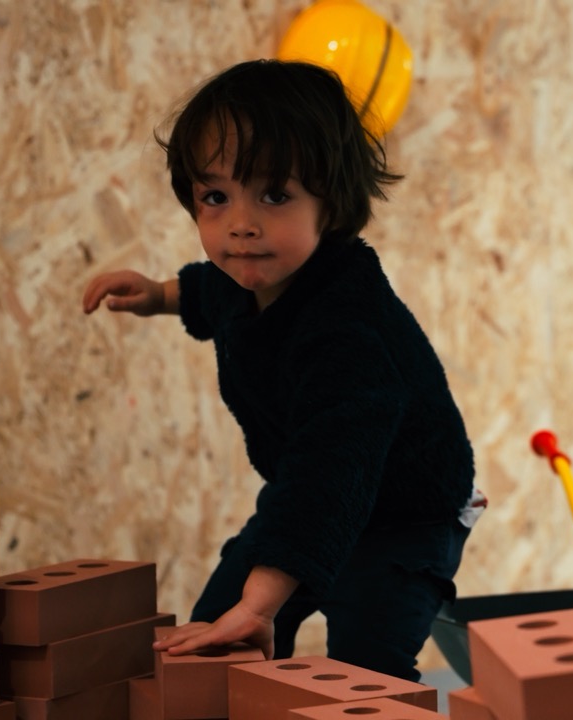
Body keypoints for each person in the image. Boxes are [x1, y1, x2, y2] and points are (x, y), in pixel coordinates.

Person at [81, 59, 482, 681]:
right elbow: (214, 293)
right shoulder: (249, 274)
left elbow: (330, 474)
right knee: (218, 625)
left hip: (405, 513)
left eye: (274, 194)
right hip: (311, 489)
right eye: (215, 196)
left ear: (333, 203)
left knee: (364, 664)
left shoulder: (350, 333)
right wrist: (159, 294)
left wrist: (263, 602)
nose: (240, 224)